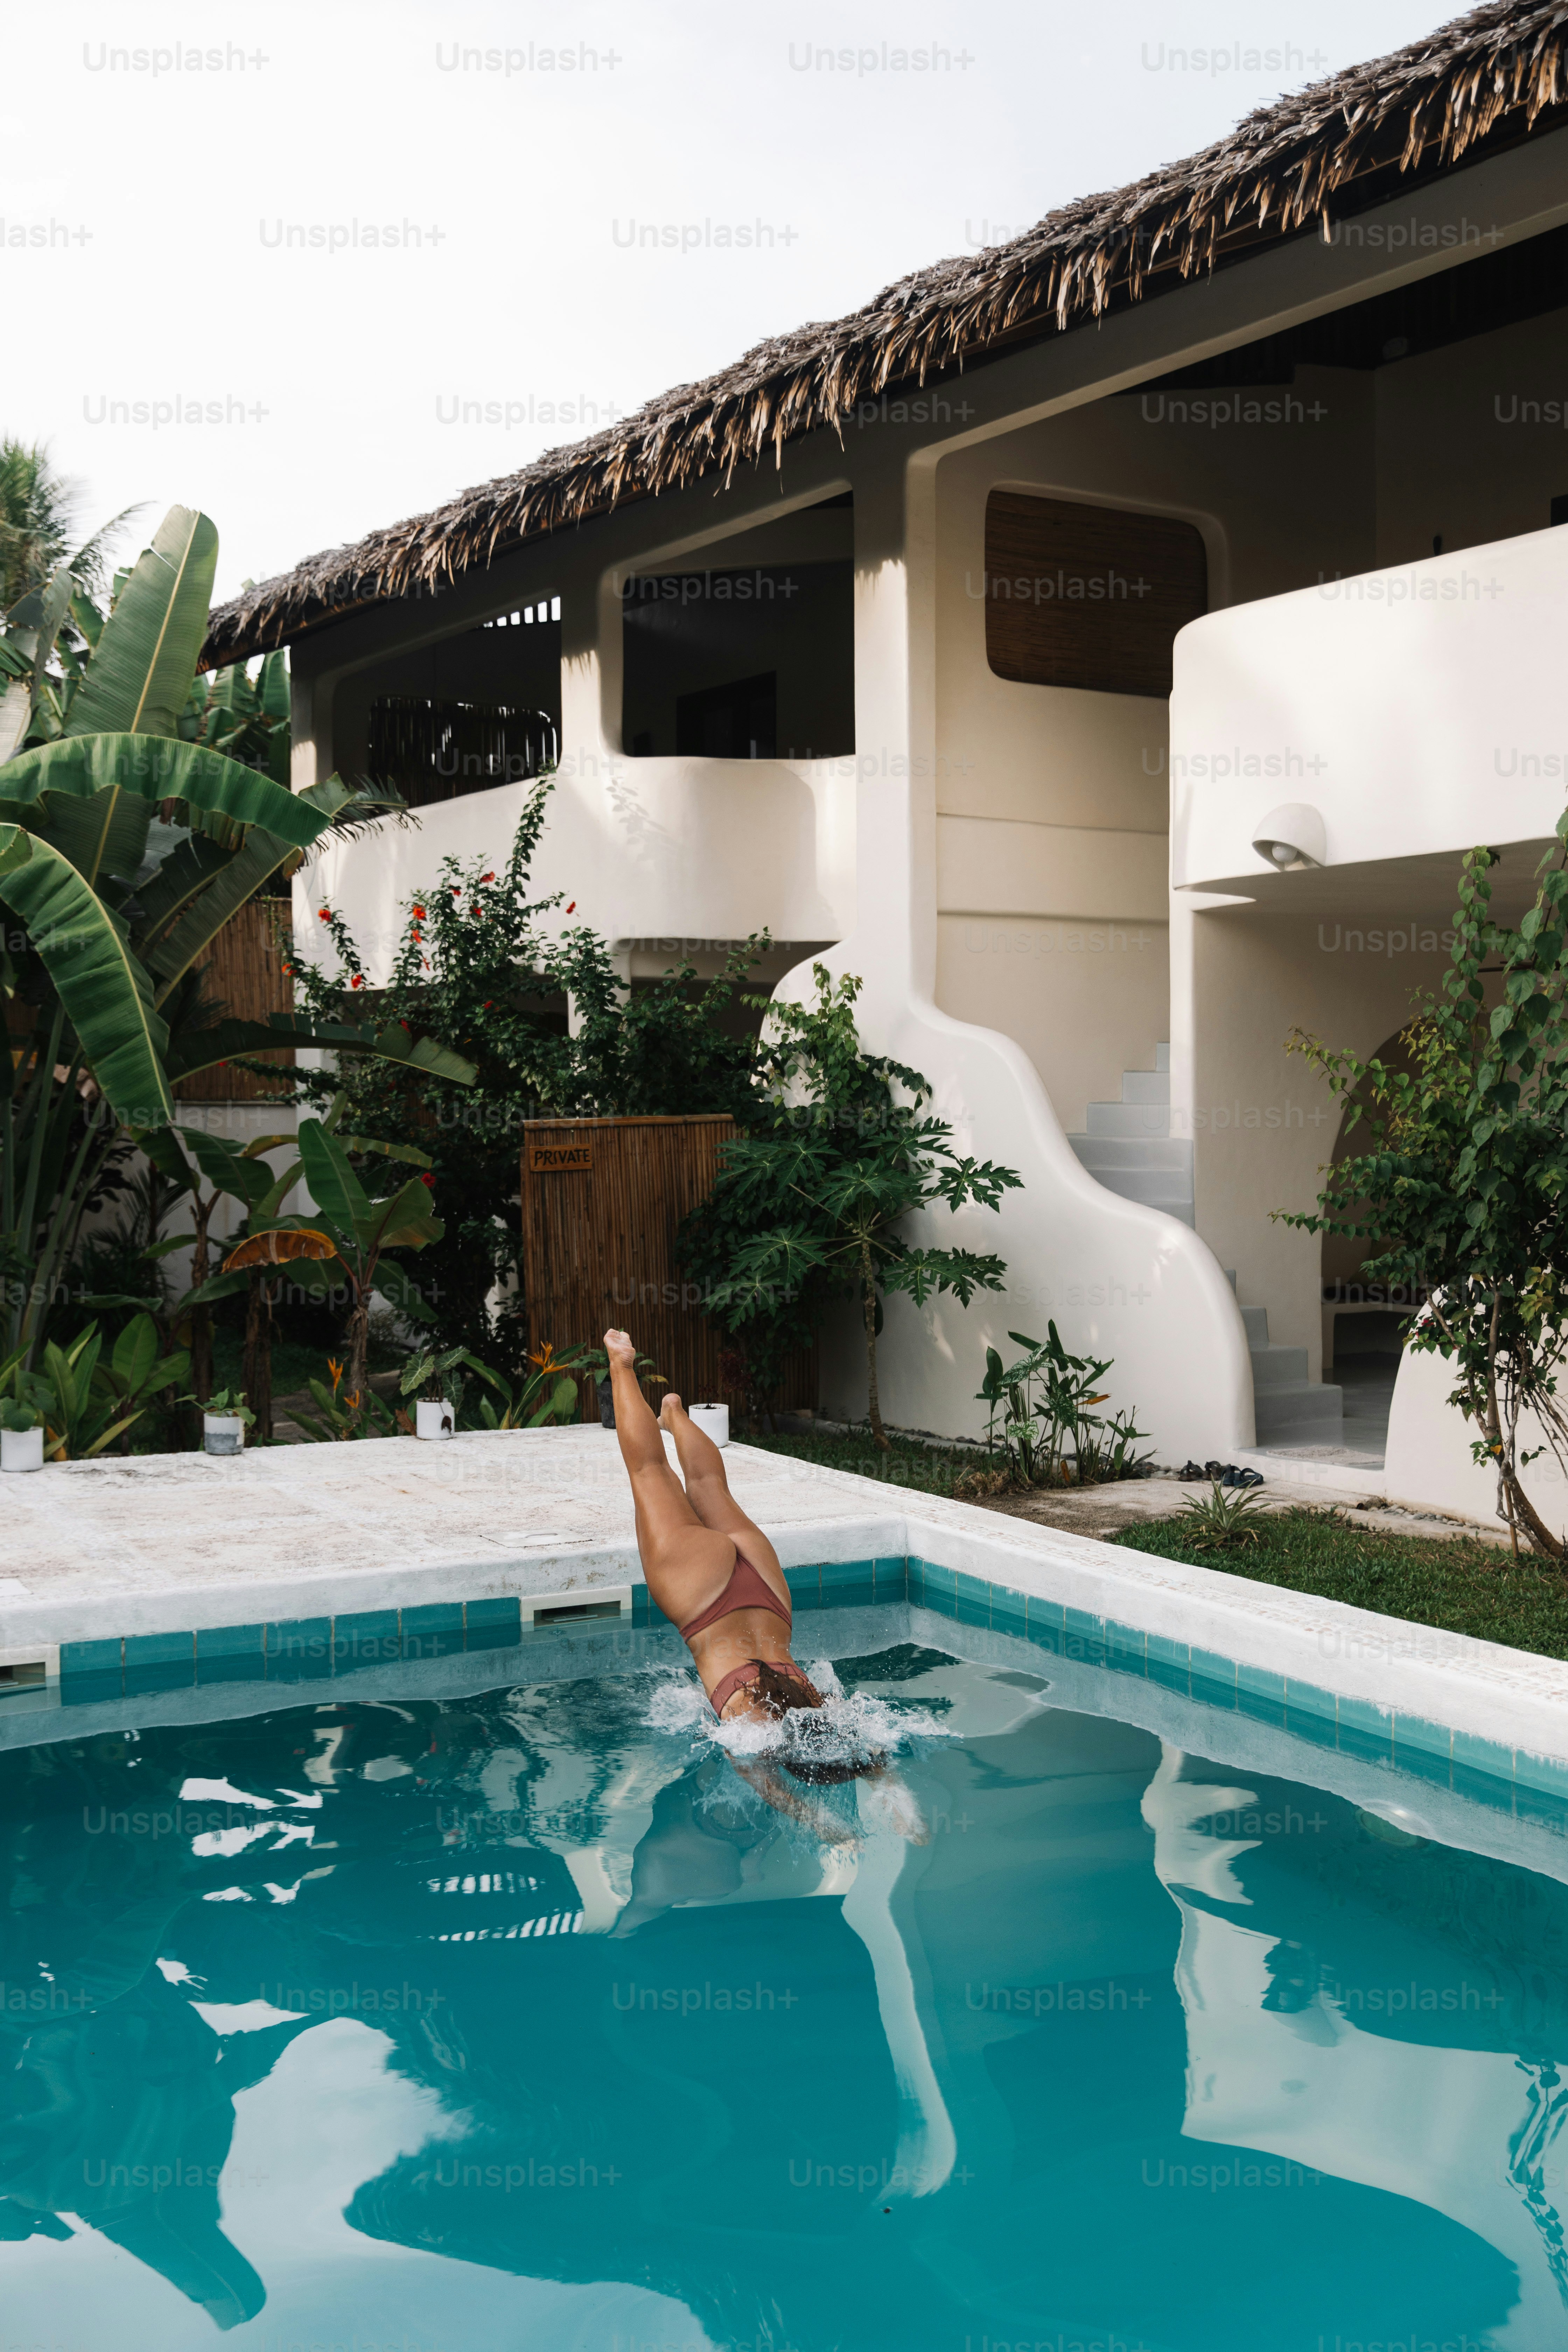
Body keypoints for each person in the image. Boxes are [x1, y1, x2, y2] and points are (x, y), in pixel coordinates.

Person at [602, 1327, 824, 1728]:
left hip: (767, 1592)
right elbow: (765, 1782)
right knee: (649, 1472)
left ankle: (674, 1414)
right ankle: (621, 1366)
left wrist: (889, 1786)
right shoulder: (750, 1721)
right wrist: (786, 1795)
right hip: (702, 1598)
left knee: (710, 1487)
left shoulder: (815, 1701)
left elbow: (872, 1759)